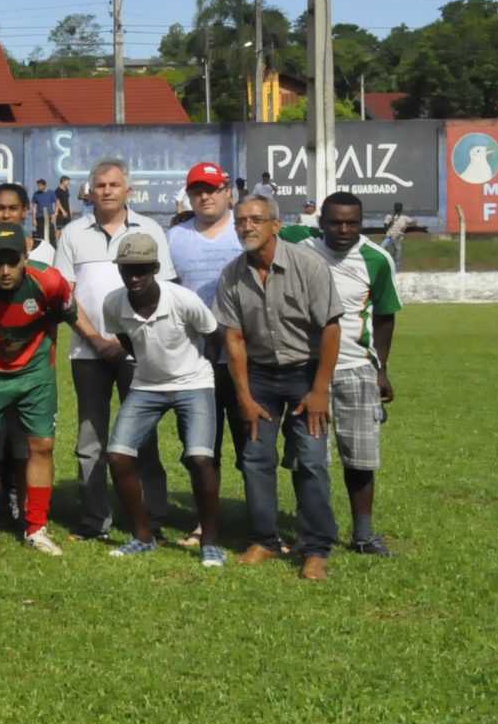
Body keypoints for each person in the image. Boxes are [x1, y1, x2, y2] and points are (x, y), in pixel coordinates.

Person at [217, 195, 343, 580]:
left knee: (311, 458)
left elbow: (331, 328)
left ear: (276, 225)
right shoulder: (232, 275)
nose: (247, 227)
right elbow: (234, 338)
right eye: (241, 221)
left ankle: (316, 548)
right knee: (256, 457)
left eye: (256, 220)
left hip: (305, 373)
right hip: (260, 376)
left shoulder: (309, 265)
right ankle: (265, 540)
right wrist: (244, 396)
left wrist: (320, 391)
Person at [53, 158, 173, 541]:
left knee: (144, 437)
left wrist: (123, 342)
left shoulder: (150, 229)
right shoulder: (73, 233)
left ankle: (151, 520)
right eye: (100, 185)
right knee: (91, 441)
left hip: (139, 353)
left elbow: (163, 291)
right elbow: (65, 296)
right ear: (89, 191)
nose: (107, 191)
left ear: (128, 191)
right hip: (88, 354)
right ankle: (94, 521)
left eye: (114, 184)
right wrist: (97, 340)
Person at [282, 192, 402, 556]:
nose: (344, 229)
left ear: (362, 223)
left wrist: (381, 368)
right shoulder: (299, 245)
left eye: (352, 223)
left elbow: (384, 316)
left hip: (355, 367)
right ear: (321, 223)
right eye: (335, 222)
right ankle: (309, 531)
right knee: (307, 458)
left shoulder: (377, 259)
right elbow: (266, 229)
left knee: (360, 457)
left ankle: (363, 535)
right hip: (306, 369)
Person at [99, 232, 227, 566]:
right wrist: (148, 364)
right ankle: (144, 537)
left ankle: (210, 542)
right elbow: (126, 340)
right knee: (117, 456)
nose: (134, 277)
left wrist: (204, 369)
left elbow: (213, 335)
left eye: (142, 269)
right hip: (146, 386)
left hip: (194, 383)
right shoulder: (113, 303)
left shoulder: (183, 299)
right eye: (127, 269)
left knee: (200, 458)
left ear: (156, 268)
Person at [0, 226, 78, 556]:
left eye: (13, 261)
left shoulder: (49, 281)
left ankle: (37, 527)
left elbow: (64, 315)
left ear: (26, 257)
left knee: (42, 445)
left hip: (34, 372)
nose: (5, 271)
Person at [166, 162, 243, 545]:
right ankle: (204, 523)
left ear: (228, 192)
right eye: (197, 190)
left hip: (245, 357)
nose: (205, 197)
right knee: (201, 448)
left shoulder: (245, 228)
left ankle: (262, 526)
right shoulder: (175, 237)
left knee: (251, 446)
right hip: (195, 360)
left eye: (212, 189)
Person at [31, 179, 58, 245]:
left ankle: (53, 249)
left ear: (45, 185)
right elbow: (34, 206)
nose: (38, 187)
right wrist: (34, 219)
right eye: (38, 185)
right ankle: (42, 249)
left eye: (40, 185)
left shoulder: (51, 193)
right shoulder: (36, 194)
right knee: (41, 236)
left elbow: (57, 203)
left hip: (49, 217)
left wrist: (55, 214)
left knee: (51, 236)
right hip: (40, 217)